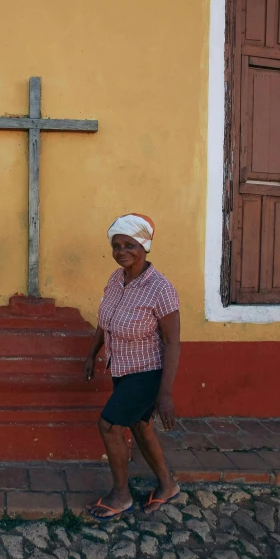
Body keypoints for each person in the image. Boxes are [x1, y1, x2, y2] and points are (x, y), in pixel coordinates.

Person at [84, 213, 181, 519]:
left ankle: (121, 494)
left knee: (109, 426)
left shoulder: (161, 289)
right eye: (116, 245)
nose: (122, 251)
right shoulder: (116, 279)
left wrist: (165, 394)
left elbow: (172, 342)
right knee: (140, 428)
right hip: (121, 368)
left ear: (145, 246)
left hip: (147, 372)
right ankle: (167, 485)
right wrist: (91, 354)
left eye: (130, 244)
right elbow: (105, 321)